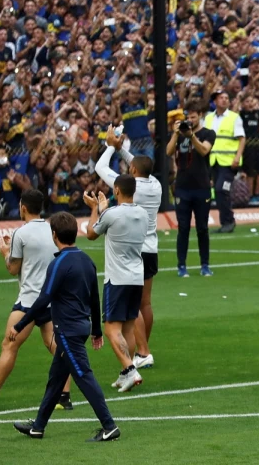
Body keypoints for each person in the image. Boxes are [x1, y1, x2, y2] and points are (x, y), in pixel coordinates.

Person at [10, 212, 120, 443]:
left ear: (54, 235)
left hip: (67, 331)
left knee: (83, 376)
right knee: (56, 379)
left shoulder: (58, 263)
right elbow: (95, 298)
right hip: (80, 327)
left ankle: (109, 426)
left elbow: (43, 299)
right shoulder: (86, 261)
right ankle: (38, 427)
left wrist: (20, 324)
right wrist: (96, 330)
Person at [0, 189, 68, 413]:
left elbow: (13, 268)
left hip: (29, 300)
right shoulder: (52, 230)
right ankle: (64, 396)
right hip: (50, 298)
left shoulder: (21, 233)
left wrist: (4, 251)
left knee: (9, 345)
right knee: (55, 345)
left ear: (23, 207)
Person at [98, 127, 163, 370]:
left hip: (132, 249)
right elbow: (137, 164)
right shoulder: (155, 184)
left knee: (132, 306)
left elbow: (100, 169)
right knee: (145, 303)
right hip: (152, 247)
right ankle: (144, 350)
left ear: (133, 171)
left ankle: (143, 351)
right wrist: (120, 148)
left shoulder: (128, 185)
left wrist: (109, 146)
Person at [83, 176, 148, 392]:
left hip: (117, 279)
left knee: (111, 329)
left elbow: (91, 233)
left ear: (117, 190)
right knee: (128, 328)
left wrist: (96, 209)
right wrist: (104, 210)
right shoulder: (143, 213)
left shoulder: (111, 214)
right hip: (136, 277)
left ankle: (130, 369)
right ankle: (124, 372)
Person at [169, 107, 216, 277]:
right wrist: (176, 133)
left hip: (202, 187)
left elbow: (204, 150)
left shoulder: (208, 133)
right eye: (188, 117)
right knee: (183, 228)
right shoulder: (180, 134)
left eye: (193, 117)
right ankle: (181, 265)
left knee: (202, 228)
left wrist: (191, 136)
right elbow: (168, 151)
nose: (190, 120)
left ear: (200, 116)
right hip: (182, 188)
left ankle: (205, 264)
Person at [205, 91, 244, 234]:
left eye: (226, 98)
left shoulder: (234, 117)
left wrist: (237, 157)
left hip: (228, 162)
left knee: (222, 189)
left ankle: (228, 221)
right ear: (215, 101)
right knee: (218, 190)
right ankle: (225, 223)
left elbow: (241, 139)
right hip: (213, 161)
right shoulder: (208, 118)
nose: (224, 100)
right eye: (221, 98)